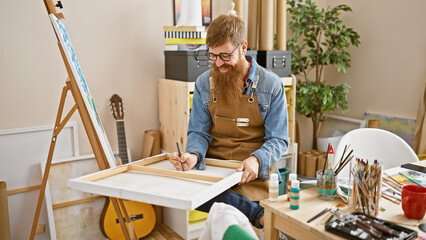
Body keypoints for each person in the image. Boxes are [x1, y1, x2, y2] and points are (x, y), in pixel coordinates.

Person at [169, 14, 289, 229]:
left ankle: (254, 212)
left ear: (243, 47)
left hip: (252, 173)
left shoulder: (271, 85)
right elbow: (198, 132)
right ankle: (258, 215)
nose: (218, 63)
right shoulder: (203, 83)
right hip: (216, 171)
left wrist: (257, 160)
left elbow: (279, 140)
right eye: (212, 56)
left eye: (225, 55)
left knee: (219, 206)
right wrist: (194, 155)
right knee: (191, 191)